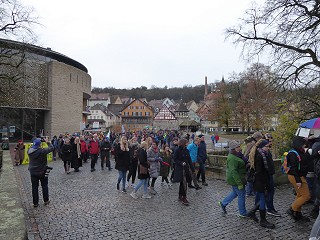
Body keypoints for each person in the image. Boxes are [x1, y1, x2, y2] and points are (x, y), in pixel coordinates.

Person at [247, 139, 275, 229]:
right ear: (261, 147)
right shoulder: (260, 156)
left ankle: (252, 212)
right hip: (260, 181)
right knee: (263, 199)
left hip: (260, 181)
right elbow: (259, 172)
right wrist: (265, 184)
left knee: (263, 198)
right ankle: (263, 220)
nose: (268, 148)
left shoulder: (261, 154)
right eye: (266, 146)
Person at [218, 140, 248, 218]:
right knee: (241, 195)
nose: (239, 148)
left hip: (237, 178)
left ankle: (223, 203)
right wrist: (239, 183)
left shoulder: (236, 155)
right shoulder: (232, 158)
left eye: (239, 146)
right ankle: (242, 212)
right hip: (236, 179)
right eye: (237, 147)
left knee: (235, 193)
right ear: (233, 149)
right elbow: (233, 172)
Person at [286, 136, 311, 222]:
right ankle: (292, 209)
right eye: (303, 144)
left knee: (300, 195)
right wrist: (298, 181)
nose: (304, 145)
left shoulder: (299, 151)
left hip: (298, 176)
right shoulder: (293, 154)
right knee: (306, 196)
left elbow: (306, 160)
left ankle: (298, 213)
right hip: (296, 176)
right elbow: (293, 169)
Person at [27, 137, 53, 207]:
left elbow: (34, 147)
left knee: (34, 187)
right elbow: (51, 148)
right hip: (42, 171)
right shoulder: (42, 151)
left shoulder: (29, 151)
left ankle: (35, 203)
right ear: (40, 145)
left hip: (33, 171)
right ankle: (46, 200)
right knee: (44, 186)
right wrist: (48, 142)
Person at [173, 138, 196, 206]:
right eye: (186, 142)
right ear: (183, 143)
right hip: (180, 169)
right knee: (183, 183)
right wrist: (181, 163)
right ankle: (184, 197)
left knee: (183, 183)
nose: (187, 143)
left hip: (185, 169)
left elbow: (189, 160)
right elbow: (175, 159)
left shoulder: (186, 150)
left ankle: (180, 195)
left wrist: (192, 169)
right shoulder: (178, 150)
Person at [244, 132, 263, 197]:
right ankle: (248, 192)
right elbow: (247, 153)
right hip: (250, 162)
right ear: (257, 138)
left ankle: (250, 191)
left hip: (250, 162)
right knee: (250, 177)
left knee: (251, 177)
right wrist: (249, 161)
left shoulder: (250, 142)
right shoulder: (252, 143)